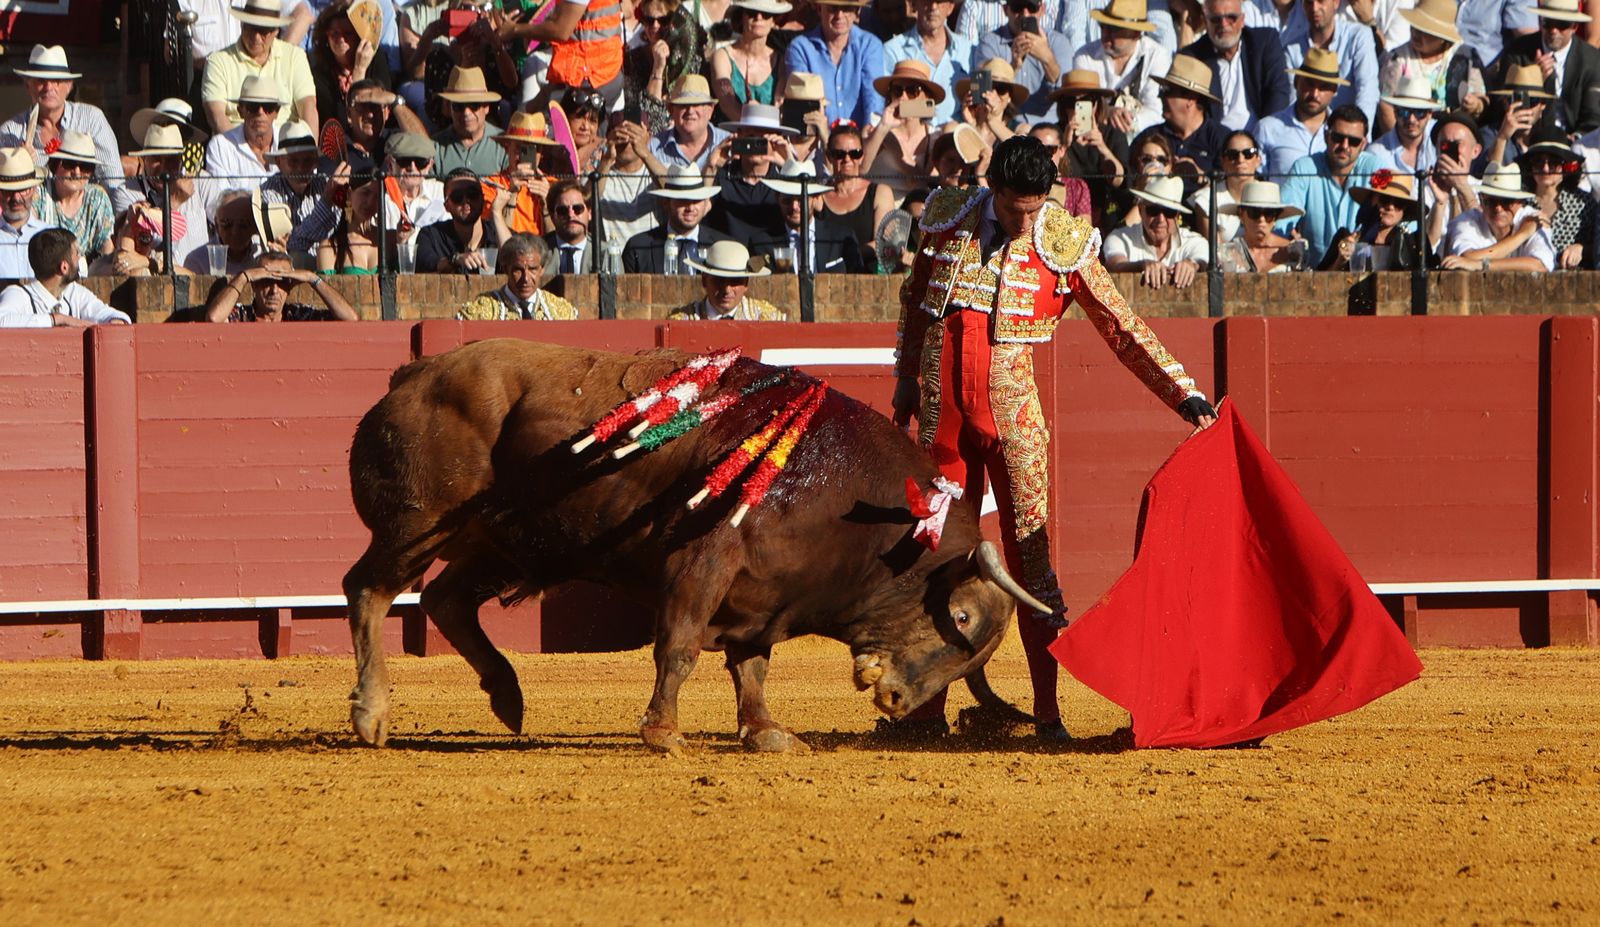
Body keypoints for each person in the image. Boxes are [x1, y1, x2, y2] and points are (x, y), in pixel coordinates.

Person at [890, 135, 1216, 740]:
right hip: (943, 425)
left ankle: (1048, 713)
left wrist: (1181, 391)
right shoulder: (945, 218)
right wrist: (906, 379)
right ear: (993, 190)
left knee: (1032, 563)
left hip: (1013, 425)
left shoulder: (1060, 240)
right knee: (933, 559)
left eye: (1035, 209)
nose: (1024, 221)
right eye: (1015, 209)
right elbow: (915, 302)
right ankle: (924, 711)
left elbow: (1120, 324)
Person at [0, 45, 133, 213]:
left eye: (57, 81)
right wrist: (20, 165)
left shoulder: (91, 120)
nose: (49, 87)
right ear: (28, 86)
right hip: (33, 225)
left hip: (86, 220)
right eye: (41, 81)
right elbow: (5, 197)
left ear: (69, 86)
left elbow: (114, 182)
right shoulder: (9, 132)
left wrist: (124, 220)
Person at [1279, 104, 1387, 266]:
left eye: (1353, 141)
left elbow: (1402, 216)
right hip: (1313, 276)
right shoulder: (1304, 167)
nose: (1344, 146)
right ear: (1325, 136)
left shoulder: (1375, 168)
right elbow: (1282, 223)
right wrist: (1289, 239)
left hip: (1363, 275)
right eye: (1338, 137)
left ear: (1364, 144)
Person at [201, 0, 319, 133]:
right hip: (235, 143)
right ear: (242, 25)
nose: (256, 37)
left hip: (287, 148)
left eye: (263, 31)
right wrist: (237, 151)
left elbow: (308, 107)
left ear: (275, 31)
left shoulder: (295, 57)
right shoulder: (218, 61)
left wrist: (310, 150)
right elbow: (217, 117)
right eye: (251, 28)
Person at [1376, 0, 1488, 135]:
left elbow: (1481, 99)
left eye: (1424, 31)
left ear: (1442, 37)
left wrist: (1475, 105)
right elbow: (1385, 105)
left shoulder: (1464, 56)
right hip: (1405, 135)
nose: (1416, 34)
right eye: (1414, 27)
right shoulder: (1397, 58)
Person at [1179, 0, 1292, 131]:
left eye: (1231, 17)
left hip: (1261, 136)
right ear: (1205, 21)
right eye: (1216, 19)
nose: (1224, 24)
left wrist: (1264, 134)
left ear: (1242, 20)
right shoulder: (1194, 56)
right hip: (1214, 143)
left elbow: (1279, 93)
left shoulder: (1264, 43)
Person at [492, 0, 628, 109]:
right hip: (603, 69)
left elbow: (561, 30)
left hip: (589, 77)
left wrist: (514, 29)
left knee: (563, 132)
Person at [1131, 54, 1229, 197]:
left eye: (1167, 91)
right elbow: (1128, 180)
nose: (1161, 97)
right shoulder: (1149, 137)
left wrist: (1201, 176)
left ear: (1190, 98)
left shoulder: (1221, 139)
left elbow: (1232, 187)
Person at [1074, 0, 1171, 137]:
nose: (1105, 33)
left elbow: (1156, 112)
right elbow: (1081, 112)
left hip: (1140, 140)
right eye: (1103, 26)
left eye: (1114, 29)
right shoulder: (1085, 56)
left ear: (1136, 34)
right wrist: (1107, 112)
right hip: (1093, 138)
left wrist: (1126, 120)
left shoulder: (1157, 56)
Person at [1502, 0, 1600, 136]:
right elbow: (1502, 105)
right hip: (1527, 136)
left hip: (1573, 140)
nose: (1554, 31)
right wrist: (1532, 81)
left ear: (1575, 27)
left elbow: (1593, 116)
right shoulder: (1518, 52)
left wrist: (1574, 141)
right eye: (1548, 23)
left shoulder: (1592, 59)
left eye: (1561, 25)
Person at [785, 0, 889, 126]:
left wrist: (867, 138)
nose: (839, 15)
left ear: (857, 12)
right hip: (815, 140)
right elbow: (803, 106)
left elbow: (873, 102)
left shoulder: (870, 45)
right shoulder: (800, 48)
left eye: (846, 9)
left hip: (860, 140)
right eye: (832, 8)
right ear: (819, 9)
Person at [0, 228, 130, 327]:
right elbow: (2, 321)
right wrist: (57, 319)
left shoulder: (73, 292)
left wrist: (116, 322)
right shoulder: (18, 295)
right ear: (64, 267)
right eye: (76, 254)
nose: (80, 258)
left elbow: (107, 314)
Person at [753, 158, 866, 272]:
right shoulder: (762, 243)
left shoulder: (841, 237)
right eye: (787, 201)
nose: (794, 207)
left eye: (801, 200)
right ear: (777, 198)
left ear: (815, 198)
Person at [1441, 162, 1557, 271]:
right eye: (1491, 201)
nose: (1498, 208)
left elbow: (1540, 265)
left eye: (1506, 201)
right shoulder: (1466, 221)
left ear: (1519, 203)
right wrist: (1522, 235)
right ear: (1481, 200)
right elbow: (1467, 257)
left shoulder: (1533, 219)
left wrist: (1480, 264)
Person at [973, 0, 1076, 120]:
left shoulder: (1059, 42)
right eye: (1018, 7)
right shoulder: (989, 42)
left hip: (1047, 128)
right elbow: (980, 93)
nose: (1025, 14)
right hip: (1005, 124)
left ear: (1042, 9)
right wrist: (1013, 67)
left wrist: (1047, 59)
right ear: (1006, 10)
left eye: (1032, 8)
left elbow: (1066, 94)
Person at [705, 102, 794, 240]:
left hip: (772, 257)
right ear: (739, 136)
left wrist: (790, 165)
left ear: (776, 140)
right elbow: (699, 210)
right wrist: (711, 167)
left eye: (763, 139)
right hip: (728, 257)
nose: (756, 145)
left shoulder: (783, 180)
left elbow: (803, 214)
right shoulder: (723, 175)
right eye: (751, 137)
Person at [1101, 174, 1208, 287]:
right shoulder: (1119, 237)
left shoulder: (1194, 241)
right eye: (1153, 210)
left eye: (1169, 212)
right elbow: (1114, 265)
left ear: (1177, 216)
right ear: (1141, 210)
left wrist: (1191, 265)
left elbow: (1203, 260)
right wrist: (1142, 265)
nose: (1160, 219)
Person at [1284, 0, 1380, 126]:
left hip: (1349, 133)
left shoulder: (1359, 37)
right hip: (1306, 128)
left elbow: (1367, 90)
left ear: (1336, 3)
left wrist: (1359, 133)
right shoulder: (1292, 48)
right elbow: (1292, 99)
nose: (1314, 8)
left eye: (1321, 1)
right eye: (1309, 3)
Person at [1255, 47, 1346, 177]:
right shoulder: (1267, 128)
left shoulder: (1344, 136)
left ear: (1335, 90)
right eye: (1309, 84)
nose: (1315, 94)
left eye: (1323, 87)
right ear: (1296, 81)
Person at [620, 0, 708, 134]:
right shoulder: (632, 60)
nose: (655, 26)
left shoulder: (691, 60)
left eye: (663, 20)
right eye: (649, 20)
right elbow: (648, 118)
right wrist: (658, 66)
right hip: (647, 137)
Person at [883, 0, 975, 128]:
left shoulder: (969, 51)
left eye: (940, 1)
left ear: (950, 7)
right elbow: (890, 106)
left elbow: (977, 103)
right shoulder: (893, 50)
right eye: (927, 1)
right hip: (909, 137)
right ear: (915, 4)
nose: (933, 7)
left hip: (956, 139)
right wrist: (931, 110)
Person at [623, 165, 731, 272]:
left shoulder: (724, 247)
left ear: (705, 203)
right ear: (666, 203)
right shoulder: (638, 248)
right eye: (683, 200)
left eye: (697, 200)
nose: (691, 207)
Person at [205, 249, 361, 321]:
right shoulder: (241, 315)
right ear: (254, 285)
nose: (274, 290)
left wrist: (313, 278)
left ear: (290, 286)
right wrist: (243, 277)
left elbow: (350, 318)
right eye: (266, 281)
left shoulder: (299, 315)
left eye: (282, 282)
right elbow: (214, 318)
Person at [1519, 127, 1597, 269]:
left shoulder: (1585, 203)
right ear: (1529, 166)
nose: (1546, 168)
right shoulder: (1517, 202)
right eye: (1538, 162)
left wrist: (1582, 249)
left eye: (1554, 162)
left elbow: (1598, 247)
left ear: (1565, 167)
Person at [862, 60, 945, 193]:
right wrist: (883, 129)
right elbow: (861, 168)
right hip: (879, 206)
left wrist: (901, 156)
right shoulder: (876, 126)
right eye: (897, 90)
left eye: (912, 91)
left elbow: (933, 183)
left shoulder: (934, 137)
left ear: (927, 97)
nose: (903, 97)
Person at [821, 122, 898, 265]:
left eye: (855, 153)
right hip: (824, 276)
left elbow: (885, 243)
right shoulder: (819, 196)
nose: (847, 160)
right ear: (829, 156)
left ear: (862, 156)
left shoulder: (879, 193)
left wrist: (845, 257)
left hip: (867, 277)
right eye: (839, 154)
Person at [310, 0, 395, 128]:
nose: (341, 39)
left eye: (347, 33)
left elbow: (381, 110)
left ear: (358, 36)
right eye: (334, 34)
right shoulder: (320, 73)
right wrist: (359, 71)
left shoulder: (376, 59)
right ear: (326, 37)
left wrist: (360, 69)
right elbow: (342, 121)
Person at [31, 131, 114, 259]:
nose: (77, 172)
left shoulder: (97, 197)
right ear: (55, 164)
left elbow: (107, 248)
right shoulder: (39, 192)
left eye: (85, 166)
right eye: (69, 164)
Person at [457, 232, 580, 319]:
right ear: (506, 269)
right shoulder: (479, 312)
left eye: (532, 269)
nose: (525, 278)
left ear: (542, 269)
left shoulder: (562, 312)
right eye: (518, 270)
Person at [1327, 170, 1423, 271]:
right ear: (1371, 201)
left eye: (1399, 203)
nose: (1390, 207)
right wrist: (1340, 260)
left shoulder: (1413, 244)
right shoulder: (1344, 238)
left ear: (1405, 209)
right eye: (1384, 199)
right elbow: (1319, 282)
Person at [713, 0, 792, 121]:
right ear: (741, 17)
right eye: (752, 12)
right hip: (731, 135)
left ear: (773, 21)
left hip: (770, 135)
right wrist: (753, 124)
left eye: (766, 14)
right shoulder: (722, 56)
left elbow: (779, 106)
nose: (759, 17)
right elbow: (727, 103)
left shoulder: (781, 60)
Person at [667, 239, 785, 319]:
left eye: (735, 281)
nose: (727, 290)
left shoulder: (767, 318)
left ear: (746, 283)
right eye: (719, 280)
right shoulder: (681, 320)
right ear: (704, 280)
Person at [417, 168, 508, 272]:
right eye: (457, 196)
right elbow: (426, 263)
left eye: (472, 194)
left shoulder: (498, 232)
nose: (466, 201)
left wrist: (496, 212)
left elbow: (514, 258)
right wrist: (455, 260)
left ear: (482, 200)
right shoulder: (431, 235)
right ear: (446, 206)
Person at [206, 75, 285, 189]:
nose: (260, 112)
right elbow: (221, 199)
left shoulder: (290, 145)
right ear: (240, 111)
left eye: (268, 107)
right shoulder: (221, 146)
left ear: (276, 112)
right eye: (253, 107)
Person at [596, 115, 663, 247]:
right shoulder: (600, 173)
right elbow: (589, 200)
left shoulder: (656, 169)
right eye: (620, 133)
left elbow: (676, 193)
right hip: (613, 257)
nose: (627, 140)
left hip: (650, 257)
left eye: (634, 133)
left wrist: (644, 152)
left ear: (648, 136)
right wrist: (607, 159)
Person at [1216, 179, 1310, 271]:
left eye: (1269, 214)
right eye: (1254, 213)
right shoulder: (1227, 254)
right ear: (1241, 214)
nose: (1262, 220)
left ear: (1276, 218)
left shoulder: (1294, 253)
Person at [1186, 128, 1262, 241]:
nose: (1240, 160)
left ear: (1258, 160)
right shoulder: (1206, 199)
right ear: (1223, 161)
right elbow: (1216, 250)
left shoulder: (1270, 194)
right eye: (1232, 155)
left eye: (1248, 153)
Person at [433, 66, 509, 176]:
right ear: (449, 108)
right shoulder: (435, 147)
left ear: (486, 107)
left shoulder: (504, 145)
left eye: (474, 105)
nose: (466, 113)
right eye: (458, 106)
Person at [650, 75, 731, 173]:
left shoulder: (728, 144)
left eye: (697, 104)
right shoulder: (654, 148)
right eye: (683, 105)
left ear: (710, 110)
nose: (690, 111)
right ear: (671, 110)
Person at [1369, 76, 1441, 174]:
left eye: (1419, 113)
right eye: (1404, 112)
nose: (1411, 119)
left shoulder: (1439, 142)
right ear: (1395, 112)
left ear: (1429, 115)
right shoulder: (1376, 154)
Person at [0, 147, 49, 280]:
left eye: (23, 190)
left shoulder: (51, 236)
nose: (16, 197)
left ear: (33, 190)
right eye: (8, 191)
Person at [317, 176, 383, 273]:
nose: (370, 202)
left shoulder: (388, 240)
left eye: (377, 196)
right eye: (365, 193)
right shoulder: (330, 247)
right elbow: (323, 286)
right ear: (349, 194)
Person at [955, 58, 1026, 146]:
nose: (993, 94)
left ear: (1009, 97)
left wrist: (991, 119)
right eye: (989, 87)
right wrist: (973, 126)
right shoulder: (957, 128)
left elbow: (1022, 152)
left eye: (1001, 88)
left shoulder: (1020, 129)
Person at [545, 180, 596, 274]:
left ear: (589, 213)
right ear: (552, 217)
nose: (571, 215)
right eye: (562, 210)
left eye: (577, 209)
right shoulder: (540, 251)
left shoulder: (606, 253)